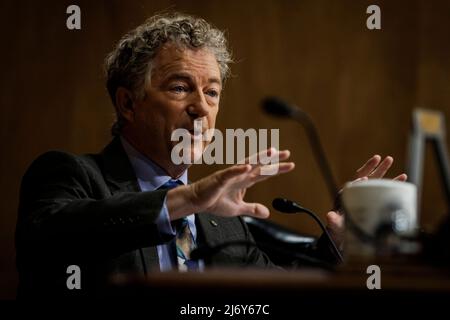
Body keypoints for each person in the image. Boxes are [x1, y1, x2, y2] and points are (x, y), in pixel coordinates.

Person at [15, 12, 406, 298]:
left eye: (213, 92)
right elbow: (50, 236)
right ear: (128, 104)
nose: (202, 108)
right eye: (181, 87)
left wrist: (337, 244)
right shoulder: (72, 175)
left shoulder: (219, 216)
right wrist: (185, 200)